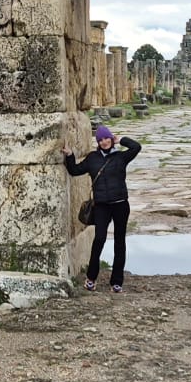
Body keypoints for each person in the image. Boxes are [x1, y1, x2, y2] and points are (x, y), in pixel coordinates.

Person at [64, 124, 142, 293]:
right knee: (99, 239)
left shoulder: (121, 157)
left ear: (111, 139)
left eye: (107, 138)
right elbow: (75, 170)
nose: (104, 142)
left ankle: (117, 281)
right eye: (100, 140)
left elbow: (136, 147)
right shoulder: (92, 158)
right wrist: (70, 155)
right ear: (98, 142)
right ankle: (91, 278)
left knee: (119, 242)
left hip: (120, 204)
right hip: (101, 206)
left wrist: (121, 140)